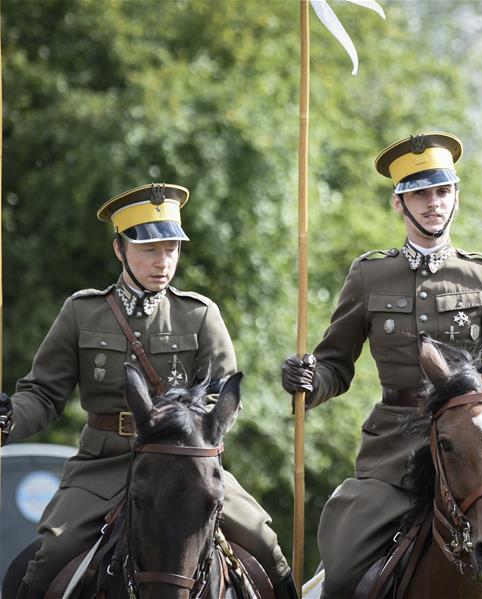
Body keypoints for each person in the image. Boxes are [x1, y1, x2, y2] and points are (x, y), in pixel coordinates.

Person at [282, 132, 482, 597]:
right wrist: (311, 380)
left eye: (442, 191)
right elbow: (335, 365)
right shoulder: (369, 275)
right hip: (394, 452)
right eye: (420, 194)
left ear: (456, 197)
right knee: (342, 574)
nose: (433, 204)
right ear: (398, 204)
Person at [0, 183, 298, 599]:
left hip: (184, 468)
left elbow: (222, 399)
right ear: (120, 249)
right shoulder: (82, 312)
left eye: (171, 249)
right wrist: (10, 416)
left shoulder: (199, 314)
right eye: (149, 250)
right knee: (51, 555)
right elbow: (45, 394)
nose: (163, 262)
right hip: (104, 464)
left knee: (266, 544)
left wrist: (189, 429)